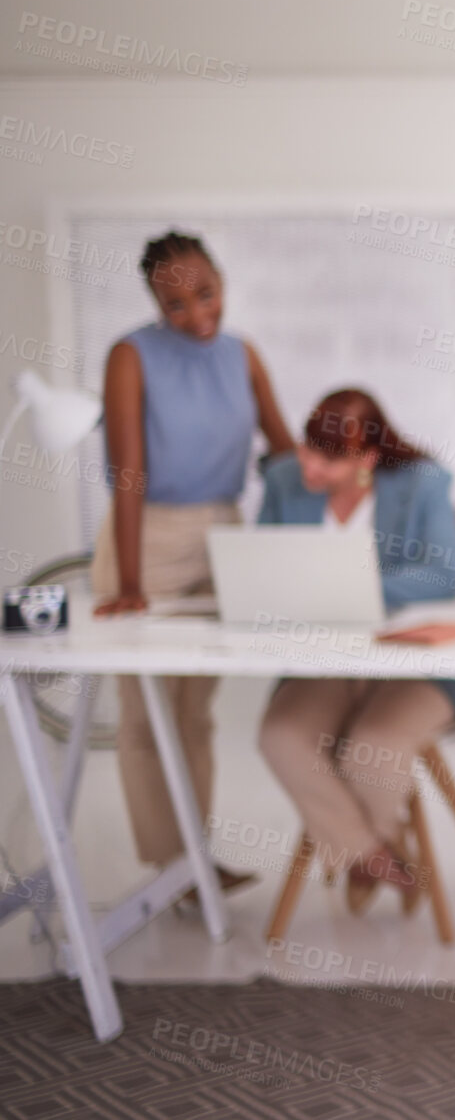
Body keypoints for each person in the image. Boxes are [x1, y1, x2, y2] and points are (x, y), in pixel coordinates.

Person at [91, 230, 295, 886]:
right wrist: (128, 582)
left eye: (206, 293)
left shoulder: (244, 356)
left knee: (194, 713)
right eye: (176, 303)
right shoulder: (131, 355)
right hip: (146, 539)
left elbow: (289, 453)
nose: (197, 312)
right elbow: (129, 474)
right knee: (146, 711)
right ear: (155, 302)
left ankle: (194, 864)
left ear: (222, 281)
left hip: (223, 534)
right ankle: (169, 866)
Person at [257, 389, 455, 912]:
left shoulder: (423, 484)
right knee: (282, 736)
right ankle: (376, 857)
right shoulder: (282, 481)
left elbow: (442, 574)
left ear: (366, 460)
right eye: (306, 450)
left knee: (374, 747)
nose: (309, 466)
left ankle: (353, 854)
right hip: (325, 663)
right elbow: (263, 567)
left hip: (417, 663)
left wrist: (351, 588)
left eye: (328, 458)